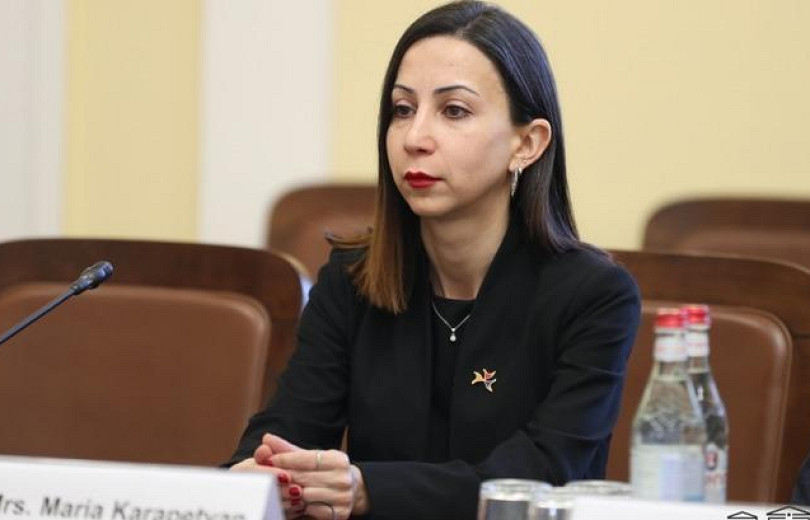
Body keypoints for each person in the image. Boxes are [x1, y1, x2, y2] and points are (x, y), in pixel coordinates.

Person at [228, 2, 640, 519]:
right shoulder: (353, 278)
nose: (415, 139)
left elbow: (545, 472)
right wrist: (262, 473)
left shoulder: (593, 295)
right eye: (403, 110)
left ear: (527, 143)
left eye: (454, 111)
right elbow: (289, 428)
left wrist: (367, 488)